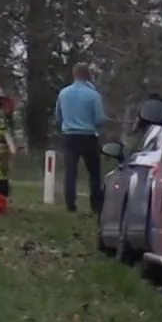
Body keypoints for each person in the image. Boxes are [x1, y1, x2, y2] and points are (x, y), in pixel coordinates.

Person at [56, 61, 107, 214]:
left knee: (71, 171)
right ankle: (96, 205)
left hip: (69, 136)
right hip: (88, 136)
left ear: (74, 74)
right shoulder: (93, 95)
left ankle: (70, 204)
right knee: (94, 173)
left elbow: (58, 116)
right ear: (88, 75)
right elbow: (99, 119)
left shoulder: (63, 93)